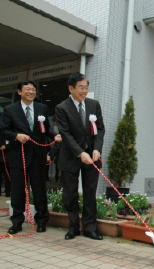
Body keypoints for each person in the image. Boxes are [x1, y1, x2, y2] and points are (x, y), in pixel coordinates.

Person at [1, 81, 62, 234]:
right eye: (27, 89)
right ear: (19, 92)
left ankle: (41, 220)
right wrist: (16, 135)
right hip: (18, 155)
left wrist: (56, 136)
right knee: (17, 190)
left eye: (33, 89)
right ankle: (17, 222)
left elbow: (45, 129)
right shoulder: (10, 110)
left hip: (37, 156)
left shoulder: (42, 108)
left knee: (39, 188)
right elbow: (3, 130)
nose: (31, 92)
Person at [55, 72, 105, 240]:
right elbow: (66, 134)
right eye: (81, 88)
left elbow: (100, 129)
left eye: (86, 87)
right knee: (70, 193)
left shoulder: (94, 105)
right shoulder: (62, 108)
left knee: (90, 192)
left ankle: (90, 228)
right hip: (71, 157)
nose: (84, 91)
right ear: (71, 88)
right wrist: (80, 152)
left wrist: (97, 148)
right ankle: (73, 226)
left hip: (93, 157)